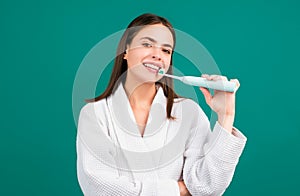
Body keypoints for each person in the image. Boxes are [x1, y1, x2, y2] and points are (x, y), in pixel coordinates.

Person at [76, 13, 247, 196]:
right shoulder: (95, 113)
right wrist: (179, 189)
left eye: (166, 50)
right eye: (147, 44)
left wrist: (226, 115)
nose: (158, 55)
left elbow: (207, 186)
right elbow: (100, 188)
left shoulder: (189, 112)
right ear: (125, 51)